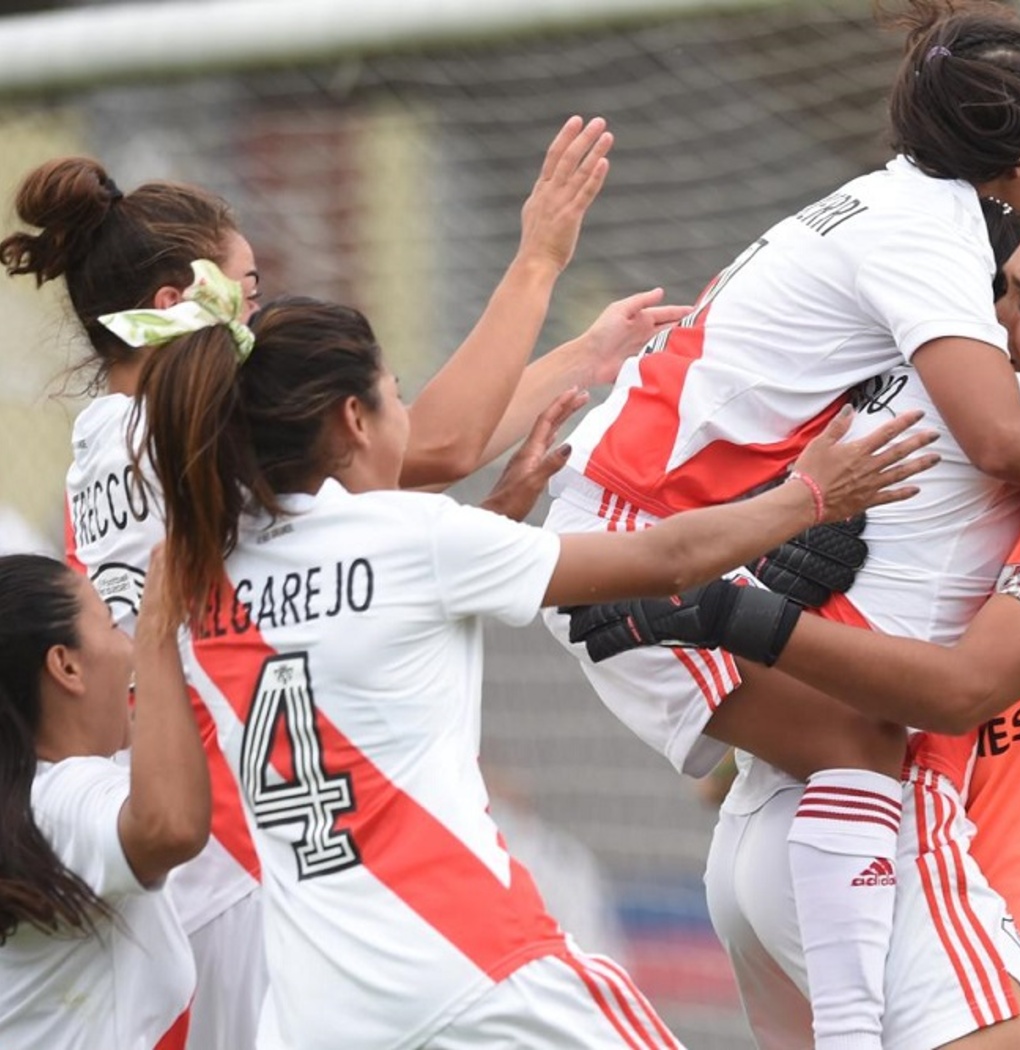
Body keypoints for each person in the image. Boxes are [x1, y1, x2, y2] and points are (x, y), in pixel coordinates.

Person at [542, 4, 1020, 1047]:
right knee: (871, 737)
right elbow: (964, 678)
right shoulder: (992, 374)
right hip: (923, 865)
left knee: (858, 740)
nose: (995, 315)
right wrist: (729, 610)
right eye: (999, 290)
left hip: (789, 829)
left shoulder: (899, 266)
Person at [120, 260, 933, 1049]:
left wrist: (499, 513)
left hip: (312, 1014)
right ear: (353, 419)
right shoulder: (413, 539)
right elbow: (663, 561)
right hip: (475, 967)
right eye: (397, 395)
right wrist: (813, 494)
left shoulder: (197, 578)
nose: (406, 417)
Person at [0, 117, 686, 1049]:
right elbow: (423, 446)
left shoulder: (110, 446)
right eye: (246, 292)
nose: (257, 321)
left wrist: (584, 358)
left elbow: (399, 447)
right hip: (253, 855)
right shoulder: (177, 438)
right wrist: (538, 262)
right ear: (176, 302)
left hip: (218, 852)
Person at [0, 547, 207, 1048]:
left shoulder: (28, 802)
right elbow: (170, 826)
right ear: (66, 667)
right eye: (114, 624)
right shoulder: (55, 805)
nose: (129, 643)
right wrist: (159, 628)